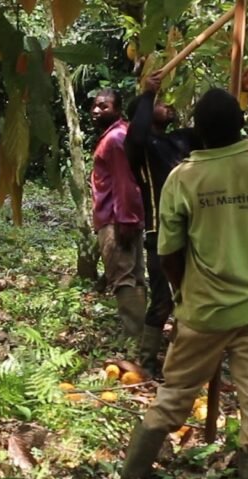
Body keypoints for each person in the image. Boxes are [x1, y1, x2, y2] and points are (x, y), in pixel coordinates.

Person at [119, 88, 248, 479]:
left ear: (196, 132)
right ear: (243, 124)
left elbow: (168, 255)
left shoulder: (182, 178)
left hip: (203, 314)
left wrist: (186, 293)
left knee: (172, 399)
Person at [125, 69, 248, 376]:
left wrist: (240, 94)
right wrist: (148, 93)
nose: (167, 104)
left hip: (198, 233)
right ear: (144, 116)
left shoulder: (183, 140)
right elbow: (136, 134)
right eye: (159, 103)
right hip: (160, 234)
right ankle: (147, 362)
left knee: (196, 302)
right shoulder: (141, 149)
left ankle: (185, 364)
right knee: (163, 301)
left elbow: (222, 131)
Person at [90, 88, 146, 342]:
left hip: (116, 220)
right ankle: (143, 337)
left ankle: (136, 341)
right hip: (121, 218)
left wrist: (127, 220)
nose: (96, 110)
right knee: (134, 277)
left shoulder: (115, 139)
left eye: (104, 106)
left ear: (118, 110)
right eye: (95, 106)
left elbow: (126, 182)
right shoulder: (118, 135)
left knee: (124, 279)